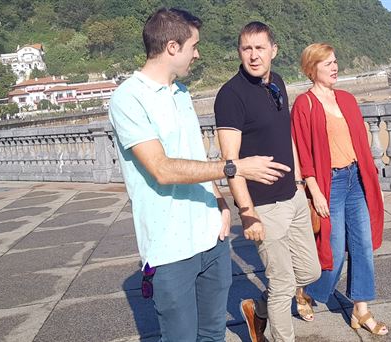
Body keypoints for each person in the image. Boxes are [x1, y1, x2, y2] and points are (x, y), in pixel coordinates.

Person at [109, 9, 291, 341]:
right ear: (172, 47)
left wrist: (221, 203)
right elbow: (162, 169)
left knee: (212, 333)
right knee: (180, 336)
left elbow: (195, 158)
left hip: (212, 237)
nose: (198, 53)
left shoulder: (180, 93)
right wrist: (234, 168)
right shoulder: (128, 98)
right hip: (170, 248)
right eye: (194, 45)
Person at [215, 22, 321, 342]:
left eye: (260, 48)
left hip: (293, 195)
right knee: (282, 285)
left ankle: (256, 310)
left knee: (309, 272)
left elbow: (285, 135)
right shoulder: (230, 96)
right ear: (239, 52)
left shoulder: (277, 82)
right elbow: (230, 163)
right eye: (247, 48)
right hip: (264, 205)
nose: (254, 55)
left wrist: (300, 181)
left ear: (273, 50)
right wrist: (247, 212)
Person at [291, 43, 388, 335]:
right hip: (328, 183)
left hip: (357, 179)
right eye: (327, 63)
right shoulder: (304, 104)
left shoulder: (346, 99)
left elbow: (362, 146)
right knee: (332, 252)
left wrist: (374, 183)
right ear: (312, 69)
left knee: (363, 247)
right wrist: (314, 188)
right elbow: (302, 152)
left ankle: (361, 310)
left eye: (335, 61)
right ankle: (307, 291)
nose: (335, 67)